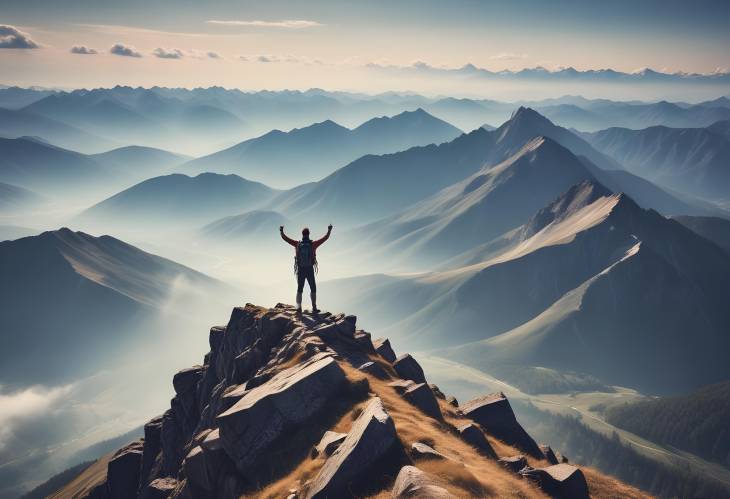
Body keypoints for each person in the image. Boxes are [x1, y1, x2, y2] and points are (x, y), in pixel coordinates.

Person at [280, 224, 333, 313]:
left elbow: (286, 239)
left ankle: (298, 308)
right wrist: (329, 230)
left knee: (300, 288)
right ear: (309, 234)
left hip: (300, 269)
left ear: (302, 234)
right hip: (309, 269)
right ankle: (314, 308)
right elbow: (325, 238)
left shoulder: (297, 244)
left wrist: (281, 231)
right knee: (313, 288)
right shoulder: (313, 244)